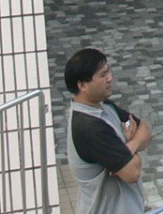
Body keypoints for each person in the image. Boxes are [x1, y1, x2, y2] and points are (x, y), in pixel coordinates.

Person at [65, 48, 152, 214]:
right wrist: (127, 144)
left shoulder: (104, 106)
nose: (110, 78)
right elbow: (132, 173)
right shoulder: (89, 127)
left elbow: (144, 128)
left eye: (108, 72)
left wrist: (131, 145)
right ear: (82, 85)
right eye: (103, 75)